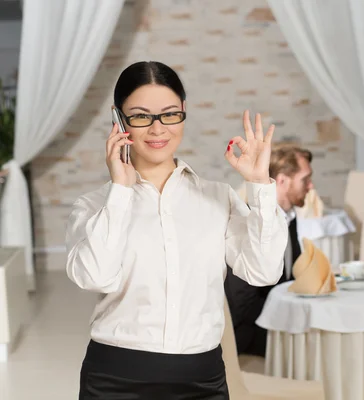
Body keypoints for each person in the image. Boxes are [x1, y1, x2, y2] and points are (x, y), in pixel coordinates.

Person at [65, 61, 288, 399]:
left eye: (169, 114)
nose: (158, 129)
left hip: (202, 379)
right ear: (118, 119)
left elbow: (263, 271)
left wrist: (259, 185)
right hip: (114, 380)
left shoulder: (218, 198)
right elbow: (95, 276)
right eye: (141, 116)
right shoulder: (95, 206)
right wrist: (121, 192)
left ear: (183, 111)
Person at [224, 144, 314, 357]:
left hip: (275, 317)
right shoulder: (250, 223)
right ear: (282, 181)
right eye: (305, 179)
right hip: (251, 332)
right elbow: (242, 304)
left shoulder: (288, 217)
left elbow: (293, 275)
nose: (310, 186)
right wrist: (293, 316)